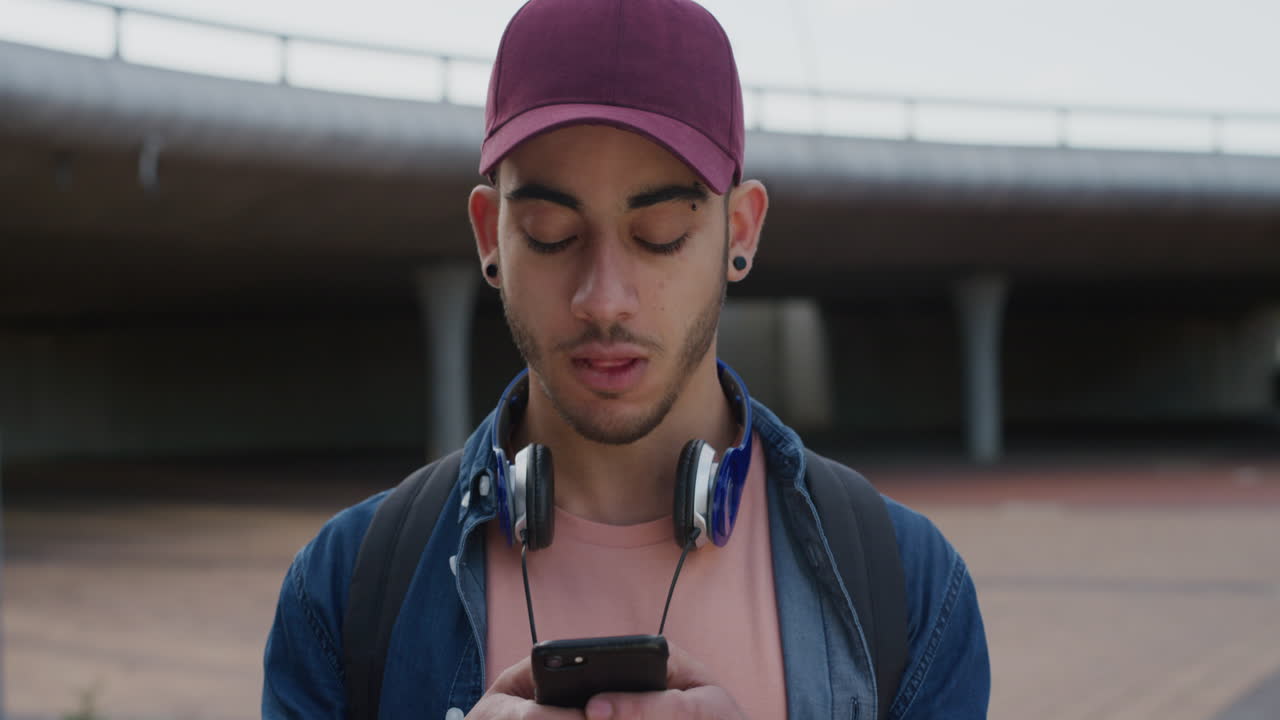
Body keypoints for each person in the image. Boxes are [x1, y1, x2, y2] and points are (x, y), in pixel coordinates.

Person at [262, 0, 990, 718]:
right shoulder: (341, 593)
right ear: (490, 235)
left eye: (661, 233)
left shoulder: (913, 592)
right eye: (549, 233)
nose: (603, 300)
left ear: (741, 230)